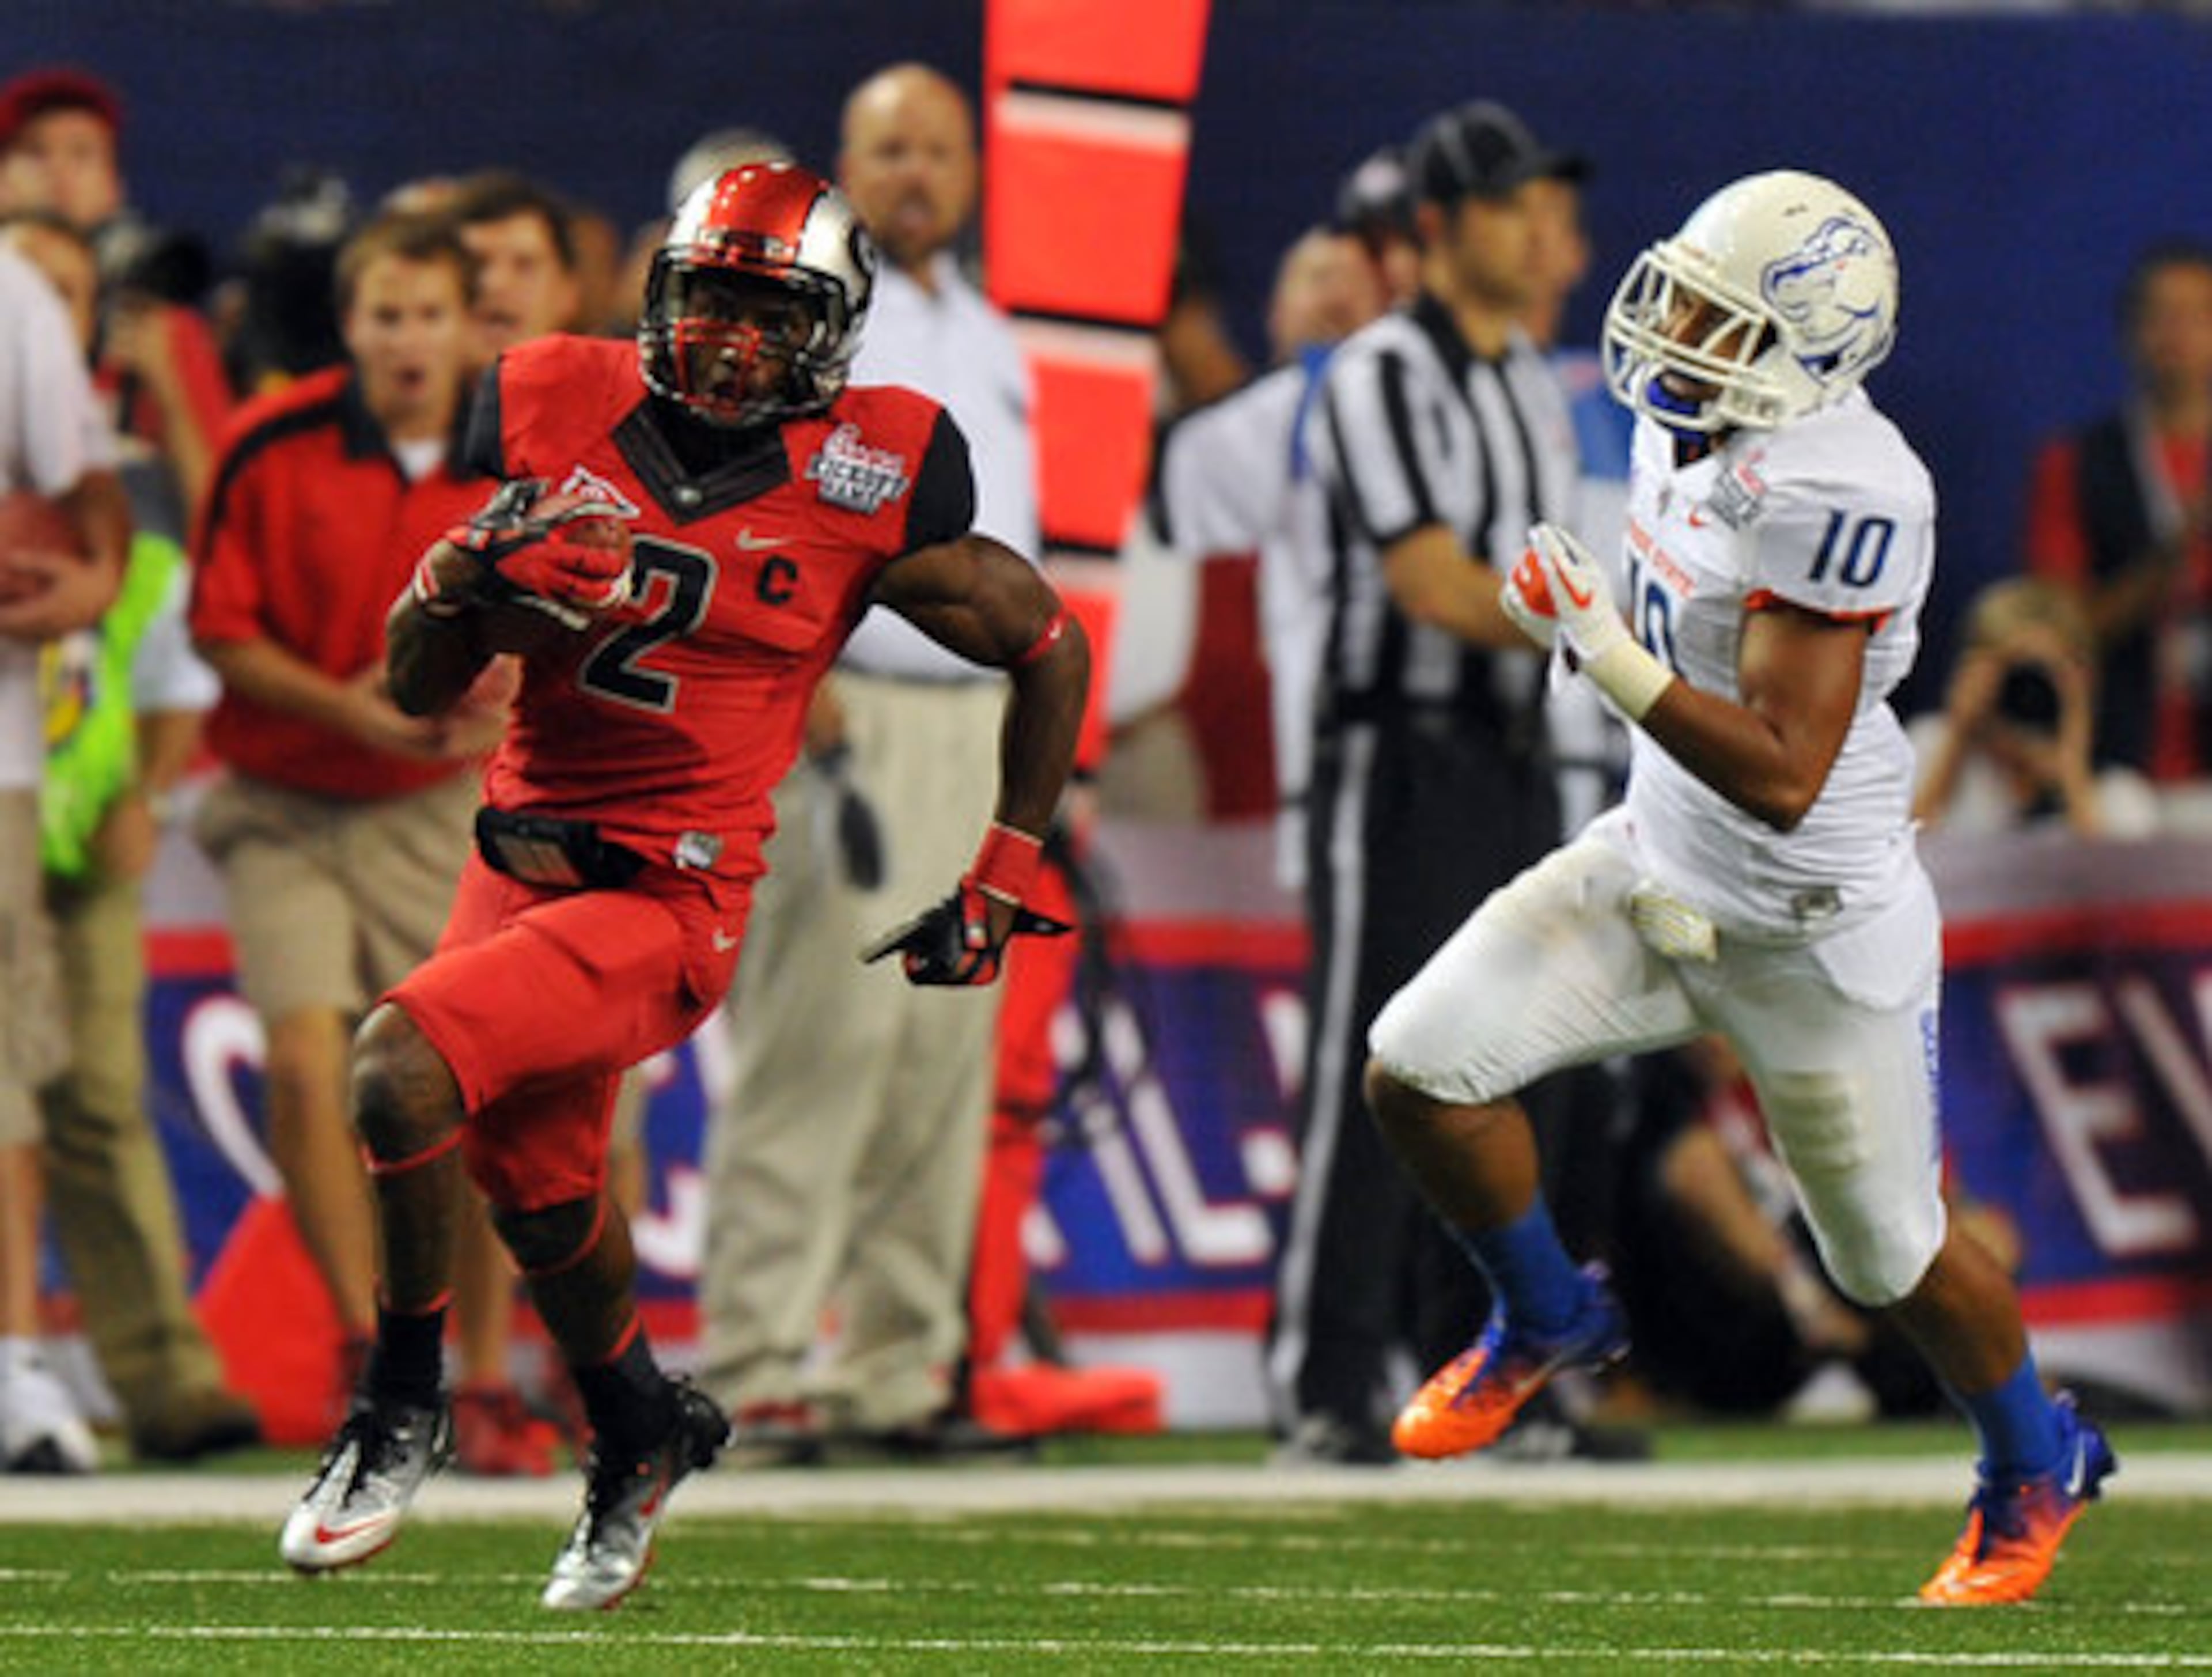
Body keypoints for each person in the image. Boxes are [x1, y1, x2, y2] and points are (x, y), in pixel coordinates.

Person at [275, 159, 1086, 1605]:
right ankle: (643, 1423)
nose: (724, 336)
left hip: (671, 895)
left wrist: (1004, 860)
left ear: (832, 330)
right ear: (659, 292)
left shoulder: (874, 473)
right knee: (541, 1192)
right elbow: (415, 688)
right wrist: (461, 578)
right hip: (511, 860)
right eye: (705, 298)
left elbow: (1046, 640)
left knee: (397, 1070)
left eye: (766, 313)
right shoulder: (547, 400)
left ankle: (400, 1401)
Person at [1366, 169, 2115, 1606]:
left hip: (1810, 933)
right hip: (1653, 869)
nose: (1676, 329)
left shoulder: (1848, 486)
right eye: (1684, 293)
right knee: (1414, 1066)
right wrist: (1572, 608)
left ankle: (2034, 1455)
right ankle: (1544, 1313)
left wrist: (1603, 651)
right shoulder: (1687, 415)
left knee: (1888, 1255)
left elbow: (1778, 764)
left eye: (1721, 313)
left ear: (1810, 347)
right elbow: (1670, 622)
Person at [698, 65, 1045, 1458]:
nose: (915, 175)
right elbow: (731, 480)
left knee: (940, 1056)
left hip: (974, 715)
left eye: (937, 152)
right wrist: (792, 659)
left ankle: (899, 1369)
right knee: (816, 1044)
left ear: (967, 171)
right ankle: (753, 1360)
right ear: (845, 162)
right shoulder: (799, 309)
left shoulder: (989, 328)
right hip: (843, 705)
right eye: (888, 151)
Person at [1263, 100, 1589, 1467]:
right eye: (1513, 206)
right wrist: (1607, 639)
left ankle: (1494, 1368)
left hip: (1514, 759)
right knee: (1377, 1060)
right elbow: (1428, 578)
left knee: (1523, 1067)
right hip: (1393, 756)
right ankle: (1324, 1374)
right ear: (1441, 226)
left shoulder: (1528, 382)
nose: (1544, 233)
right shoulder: (1379, 369)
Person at [187, 209, 505, 1445]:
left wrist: (505, 706)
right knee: (313, 1060)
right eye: (387, 314)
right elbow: (219, 628)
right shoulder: (270, 444)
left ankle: (475, 1371)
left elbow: (578, 620)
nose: (408, 340)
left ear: (469, 327)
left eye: (430, 314)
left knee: (460, 1088)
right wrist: (351, 710)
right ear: (351, 322)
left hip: (440, 804)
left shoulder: (518, 456)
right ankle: (361, 1346)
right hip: (286, 803)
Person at [5, 210, 261, 1463]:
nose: (41, 310)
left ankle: (163, 1378)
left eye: (63, 293)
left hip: (84, 837)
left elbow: (177, 655)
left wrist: (142, 792)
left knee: (97, 1101)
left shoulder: (141, 471)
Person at [0, 237, 130, 1471]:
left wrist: (81, 583)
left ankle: (9, 1361)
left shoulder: (13, 291)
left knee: (0, 1064)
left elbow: (89, 508)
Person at [0, 67, 233, 530]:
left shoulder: (161, 328)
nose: (59, 174)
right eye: (35, 153)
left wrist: (166, 387)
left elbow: (221, 522)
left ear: (114, 186)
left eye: (82, 154)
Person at [2024, 239, 2212, 786]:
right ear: (2130, 330)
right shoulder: (2076, 463)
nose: (2176, 333)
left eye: (2197, 315)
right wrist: (2181, 545)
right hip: (2114, 766)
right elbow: (2063, 632)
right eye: (2160, 314)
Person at [1910, 576, 2157, 837]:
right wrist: (1957, 740)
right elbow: (1892, 861)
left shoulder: (2119, 796)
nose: (2027, 692)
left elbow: (2113, 874)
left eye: (2041, 675)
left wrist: (2071, 776)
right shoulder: (1928, 748)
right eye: (2013, 672)